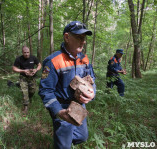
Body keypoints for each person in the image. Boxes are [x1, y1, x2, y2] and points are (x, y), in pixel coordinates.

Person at [39, 21, 96, 149]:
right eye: (79, 37)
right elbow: (45, 91)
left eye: (84, 38)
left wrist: (92, 93)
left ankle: (65, 139)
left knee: (82, 137)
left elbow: (92, 80)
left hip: (79, 106)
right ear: (67, 37)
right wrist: (59, 112)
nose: (83, 41)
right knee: (63, 146)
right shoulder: (53, 61)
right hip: (62, 106)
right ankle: (62, 141)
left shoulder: (85, 59)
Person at [12, 46, 41, 114]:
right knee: (24, 92)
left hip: (32, 77)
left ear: (29, 52)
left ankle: (29, 98)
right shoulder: (19, 59)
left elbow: (39, 65)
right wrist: (23, 71)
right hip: (23, 78)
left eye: (28, 52)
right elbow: (14, 68)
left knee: (33, 90)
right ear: (22, 52)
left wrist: (36, 70)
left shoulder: (33, 58)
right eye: (25, 52)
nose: (26, 54)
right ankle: (26, 107)